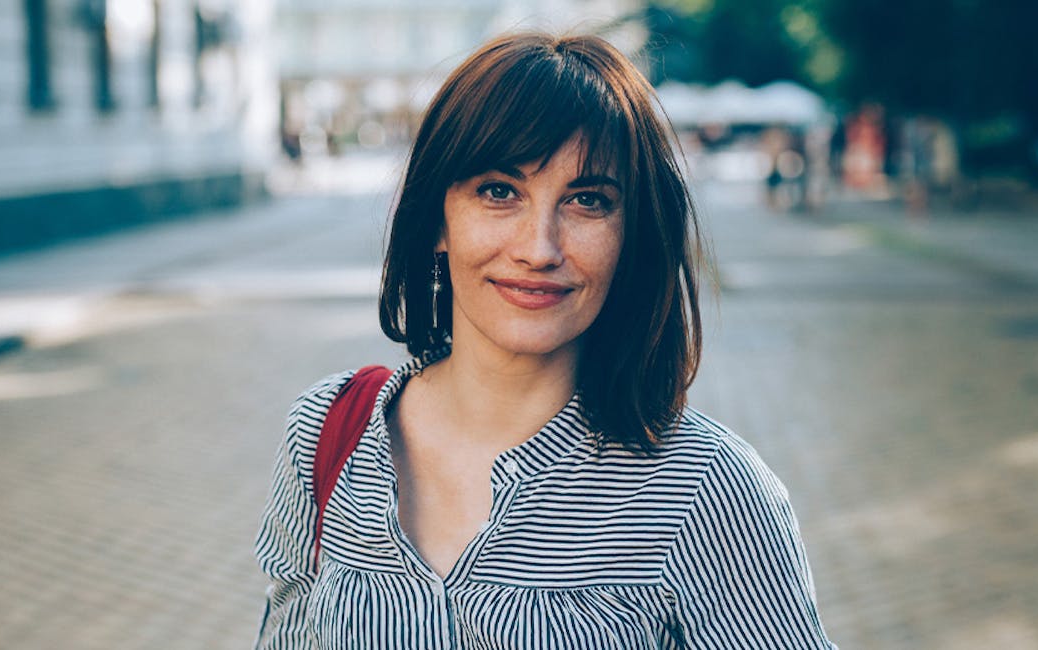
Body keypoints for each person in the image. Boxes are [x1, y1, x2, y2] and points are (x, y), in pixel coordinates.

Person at [255, 32, 836, 649]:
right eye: (499, 191)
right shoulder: (325, 433)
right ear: (436, 220)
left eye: (587, 201)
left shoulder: (712, 492)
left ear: (629, 233)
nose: (539, 248)